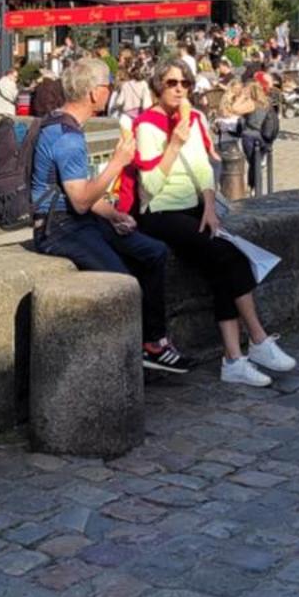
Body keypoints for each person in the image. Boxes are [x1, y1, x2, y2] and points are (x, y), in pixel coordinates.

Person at [133, 61, 296, 387]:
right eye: (172, 83)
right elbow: (149, 185)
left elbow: (203, 169)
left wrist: (209, 205)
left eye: (186, 83)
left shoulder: (192, 118)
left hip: (194, 207)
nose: (180, 88)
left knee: (225, 263)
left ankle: (236, 358)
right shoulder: (146, 125)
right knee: (225, 256)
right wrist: (174, 143)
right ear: (157, 88)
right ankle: (257, 340)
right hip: (159, 212)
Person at [30, 57, 188, 374]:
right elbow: (79, 200)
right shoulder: (67, 137)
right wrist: (117, 162)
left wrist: (114, 215)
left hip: (76, 220)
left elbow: (80, 194)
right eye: (107, 85)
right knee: (123, 283)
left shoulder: (60, 123)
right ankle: (132, 355)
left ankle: (154, 340)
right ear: (93, 93)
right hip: (59, 229)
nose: (110, 91)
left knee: (153, 251)